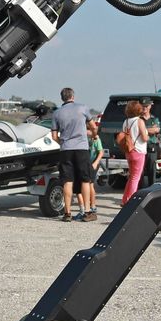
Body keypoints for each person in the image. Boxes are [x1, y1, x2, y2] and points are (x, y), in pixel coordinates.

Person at [51, 87, 97, 222]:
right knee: (85, 180)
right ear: (73, 96)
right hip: (81, 148)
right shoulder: (82, 108)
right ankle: (87, 212)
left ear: (62, 98)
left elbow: (54, 136)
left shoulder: (57, 113)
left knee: (67, 181)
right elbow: (93, 126)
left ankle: (67, 213)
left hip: (66, 150)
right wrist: (94, 136)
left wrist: (63, 143)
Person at [119, 99, 150, 203]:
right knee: (135, 178)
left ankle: (125, 199)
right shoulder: (139, 121)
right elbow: (144, 138)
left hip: (129, 151)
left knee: (131, 177)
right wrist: (148, 136)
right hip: (138, 151)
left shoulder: (126, 121)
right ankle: (131, 201)